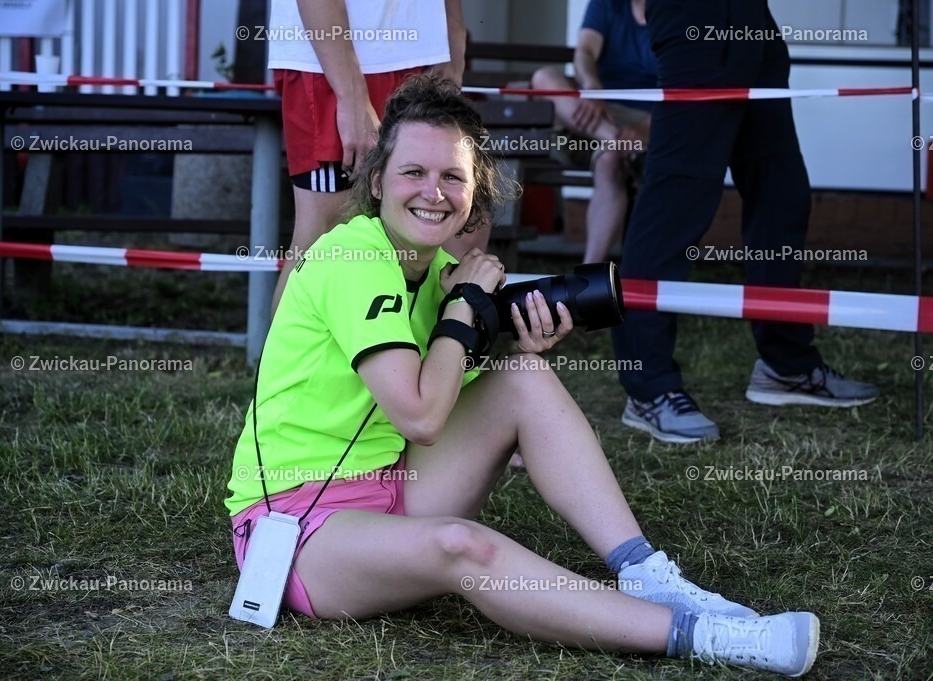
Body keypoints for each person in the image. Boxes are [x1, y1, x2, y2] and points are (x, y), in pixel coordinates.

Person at [225, 76, 819, 677]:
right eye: (412, 173)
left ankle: (648, 575)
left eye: (452, 177)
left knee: (522, 377)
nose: (433, 192)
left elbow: (468, 397)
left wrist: (519, 345)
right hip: (298, 522)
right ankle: (705, 635)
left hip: (391, 484)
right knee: (462, 545)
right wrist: (463, 313)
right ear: (377, 182)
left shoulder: (438, 273)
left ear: (475, 191)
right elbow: (422, 415)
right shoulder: (354, 259)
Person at [611, 0, 878, 443]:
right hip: (696, 19)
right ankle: (647, 387)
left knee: (782, 195)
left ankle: (786, 364)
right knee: (676, 204)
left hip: (753, 19)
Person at [267, 0, 486, 316]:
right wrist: (352, 95)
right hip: (335, 55)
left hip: (421, 54)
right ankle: (281, 366)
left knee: (439, 231)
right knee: (325, 233)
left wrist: (453, 44)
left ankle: (423, 358)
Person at [531, 0, 655, 264]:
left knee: (610, 161)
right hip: (595, 113)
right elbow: (585, 50)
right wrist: (591, 85)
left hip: (648, 120)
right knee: (544, 77)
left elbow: (682, 85)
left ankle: (588, 272)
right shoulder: (606, 4)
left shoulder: (675, 13)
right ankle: (619, 142)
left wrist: (646, 127)